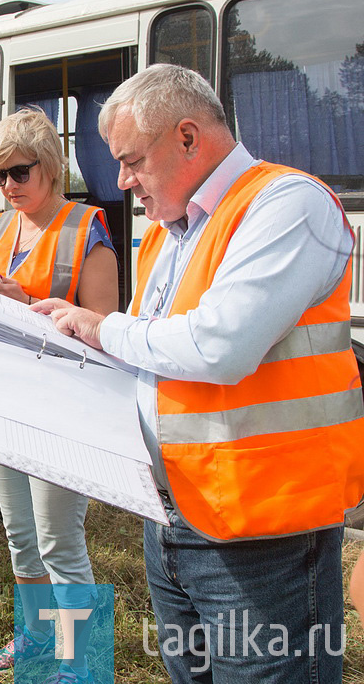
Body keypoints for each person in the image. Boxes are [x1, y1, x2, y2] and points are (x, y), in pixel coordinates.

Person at [33, 64, 364, 682]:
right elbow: (150, 348)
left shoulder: (288, 204)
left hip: (264, 533)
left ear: (187, 137)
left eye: (131, 161)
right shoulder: (168, 230)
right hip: (172, 516)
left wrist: (99, 326)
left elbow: (221, 346)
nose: (122, 182)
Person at [0, 108, 118, 680]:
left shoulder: (86, 229)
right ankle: (33, 641)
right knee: (21, 537)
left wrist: (17, 302)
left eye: (18, 173)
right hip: (5, 402)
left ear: (50, 167)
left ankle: (81, 663)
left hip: (63, 410)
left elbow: (101, 330)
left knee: (59, 542)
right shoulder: (0, 227)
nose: (6, 187)